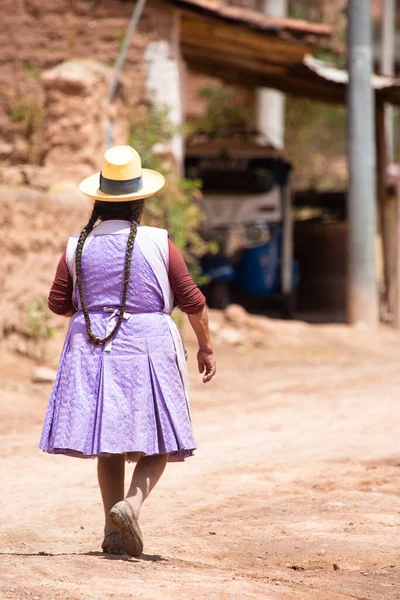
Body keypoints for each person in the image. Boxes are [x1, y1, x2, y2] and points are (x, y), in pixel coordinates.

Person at [40, 145, 216, 557]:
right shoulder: (159, 243)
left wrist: (94, 309)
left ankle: (111, 532)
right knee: (161, 440)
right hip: (149, 347)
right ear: (140, 200)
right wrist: (205, 347)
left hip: (93, 348)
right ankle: (130, 506)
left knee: (110, 442)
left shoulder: (76, 246)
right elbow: (192, 300)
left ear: (99, 197)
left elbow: (58, 302)